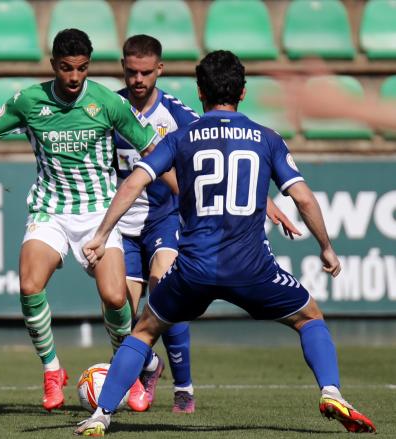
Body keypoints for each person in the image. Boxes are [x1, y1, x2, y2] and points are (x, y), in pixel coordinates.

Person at [75, 50, 375, 435]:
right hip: (251, 269)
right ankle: (332, 391)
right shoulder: (266, 138)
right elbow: (301, 197)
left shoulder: (181, 137)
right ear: (243, 92)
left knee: (145, 330)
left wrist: (101, 235)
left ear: (200, 92)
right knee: (309, 317)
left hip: (193, 269)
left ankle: (102, 415)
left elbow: (134, 182)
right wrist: (326, 247)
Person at [0, 29, 164, 412]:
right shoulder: (29, 101)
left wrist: (187, 190)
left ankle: (130, 369)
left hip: (99, 213)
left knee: (113, 296)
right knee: (29, 283)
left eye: (82, 69)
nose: (74, 77)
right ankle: (52, 371)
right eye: (66, 68)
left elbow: (151, 150)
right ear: (53, 64)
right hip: (51, 209)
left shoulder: (108, 102)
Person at [114, 35, 301, 414]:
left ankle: (183, 388)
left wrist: (263, 202)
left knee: (163, 286)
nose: (138, 79)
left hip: (165, 218)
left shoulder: (177, 114)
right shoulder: (109, 109)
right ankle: (149, 367)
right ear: (123, 68)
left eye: (146, 72)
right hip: (124, 223)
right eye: (131, 71)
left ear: (159, 70)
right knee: (118, 307)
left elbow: (219, 158)